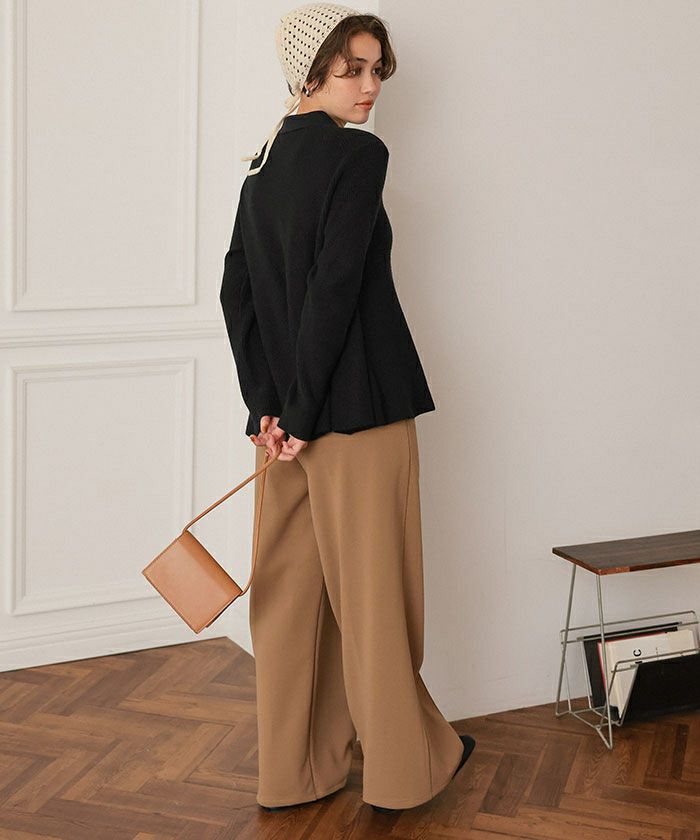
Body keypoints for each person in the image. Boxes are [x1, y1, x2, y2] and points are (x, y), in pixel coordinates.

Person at [219, 2, 475, 813]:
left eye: (377, 71)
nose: (370, 87)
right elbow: (332, 290)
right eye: (353, 69)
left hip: (286, 430)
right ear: (310, 70)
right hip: (356, 412)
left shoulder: (261, 167)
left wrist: (268, 410)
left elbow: (237, 294)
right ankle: (404, 772)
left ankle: (295, 773)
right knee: (371, 601)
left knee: (290, 601)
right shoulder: (357, 156)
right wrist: (295, 410)